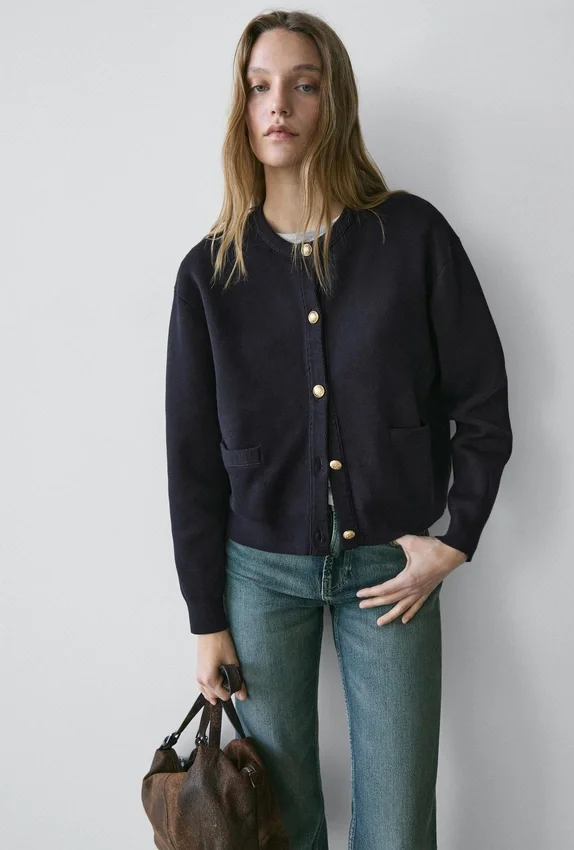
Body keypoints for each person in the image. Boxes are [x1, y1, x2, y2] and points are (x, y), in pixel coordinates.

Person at [164, 10, 513, 850]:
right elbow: (190, 461)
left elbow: (483, 403)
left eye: (303, 85)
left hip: (392, 575)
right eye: (259, 87)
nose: (278, 105)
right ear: (243, 108)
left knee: (396, 826)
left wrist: (457, 538)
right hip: (259, 579)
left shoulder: (412, 237)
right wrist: (206, 618)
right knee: (278, 827)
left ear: (335, 101)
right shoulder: (210, 272)